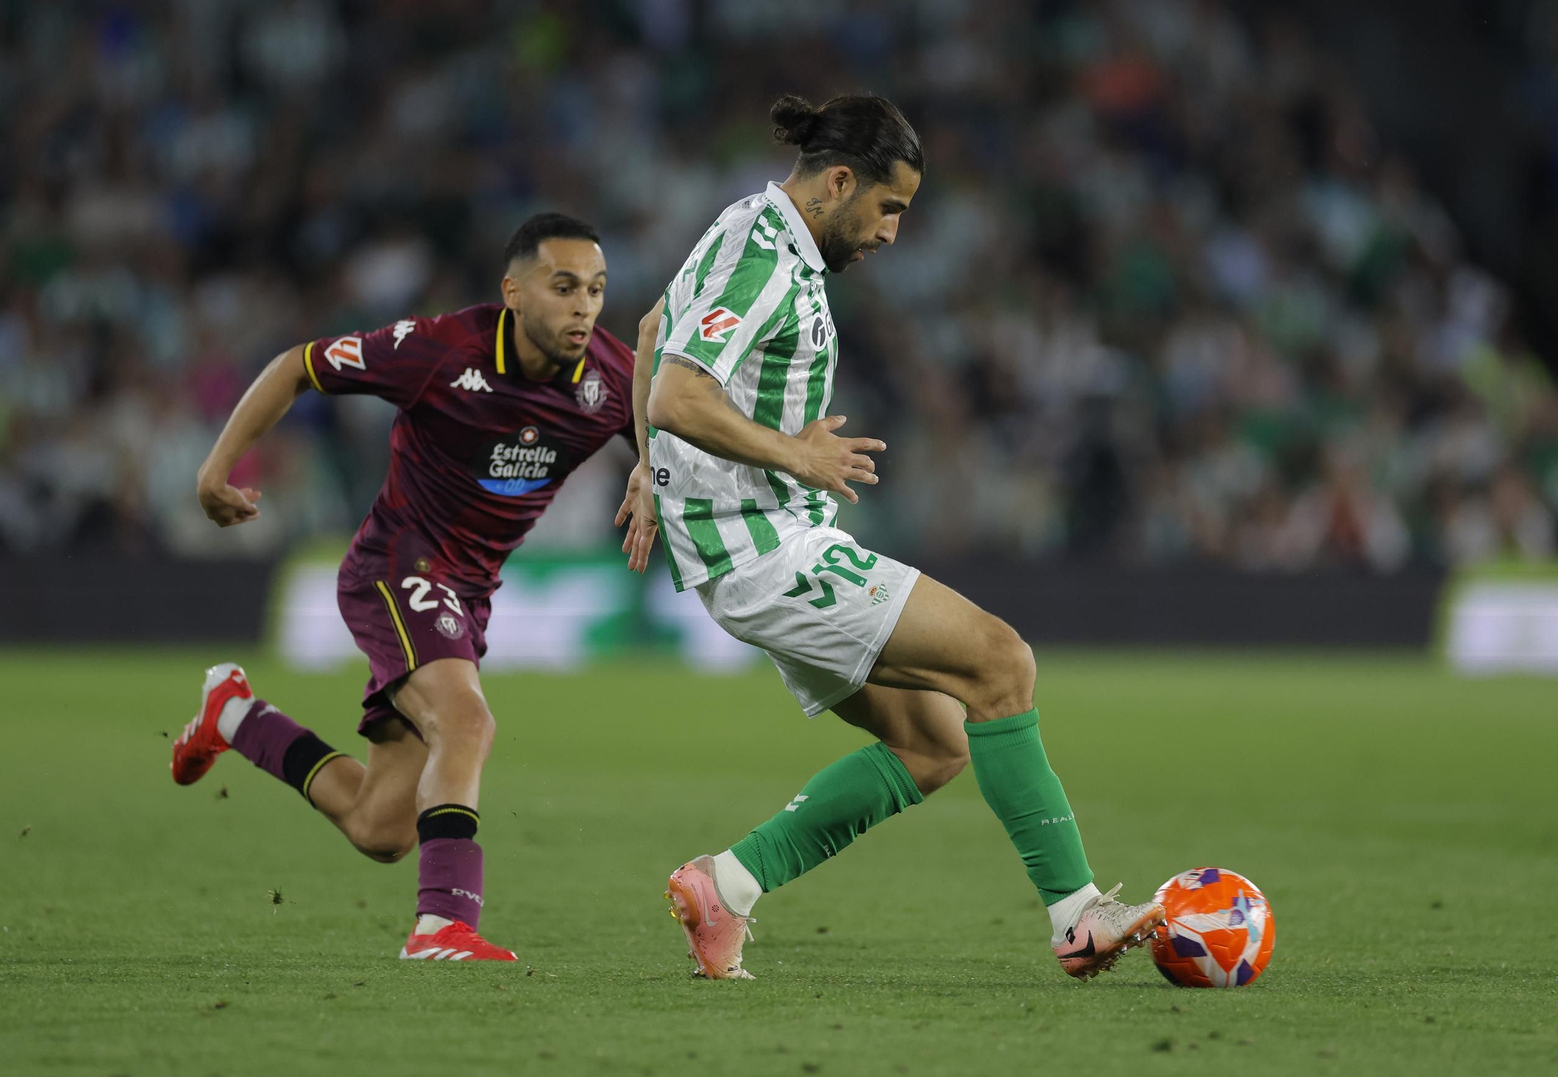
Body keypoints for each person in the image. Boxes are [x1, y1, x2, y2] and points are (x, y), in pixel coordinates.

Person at [616, 94, 1164, 981]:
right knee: (1001, 660)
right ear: (839, 182)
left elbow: (649, 332)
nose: (892, 233)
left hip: (751, 548)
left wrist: (648, 470)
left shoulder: (743, 222)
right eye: (889, 207)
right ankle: (1078, 915)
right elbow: (676, 393)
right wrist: (788, 451)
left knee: (935, 744)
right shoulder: (765, 259)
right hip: (765, 548)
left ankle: (728, 886)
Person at [173, 213, 639, 962]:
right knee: (467, 723)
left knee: (379, 826)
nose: (583, 306)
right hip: (397, 566)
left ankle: (236, 716)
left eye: (596, 289)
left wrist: (654, 465)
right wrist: (214, 469)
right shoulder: (440, 350)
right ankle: (442, 923)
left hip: (469, 593)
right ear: (513, 293)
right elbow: (298, 364)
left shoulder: (614, 380)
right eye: (562, 288)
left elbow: (666, 424)